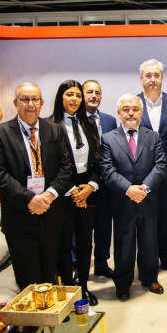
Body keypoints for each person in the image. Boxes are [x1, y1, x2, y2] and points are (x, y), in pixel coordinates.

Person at [0, 83, 72, 291]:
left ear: (41, 103)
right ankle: (31, 312)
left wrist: (49, 196)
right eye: (25, 99)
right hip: (19, 217)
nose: (30, 104)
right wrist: (30, 200)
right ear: (15, 103)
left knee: (51, 273)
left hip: (51, 214)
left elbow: (66, 167)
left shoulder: (55, 130)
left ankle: (51, 310)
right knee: (28, 279)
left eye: (35, 99)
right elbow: (1, 176)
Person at [99, 94, 167, 301]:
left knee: (149, 242)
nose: (131, 113)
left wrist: (144, 189)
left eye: (135, 109)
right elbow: (107, 170)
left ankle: (150, 278)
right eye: (126, 109)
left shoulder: (153, 136)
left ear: (141, 112)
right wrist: (129, 189)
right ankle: (123, 283)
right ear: (119, 113)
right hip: (122, 201)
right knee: (124, 244)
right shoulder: (108, 138)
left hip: (148, 200)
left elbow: (161, 165)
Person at [50, 80, 100, 306]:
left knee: (84, 242)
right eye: (69, 95)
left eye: (78, 95)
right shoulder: (50, 125)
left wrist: (91, 186)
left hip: (86, 189)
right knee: (63, 244)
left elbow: (97, 159)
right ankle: (67, 291)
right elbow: (50, 164)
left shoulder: (88, 123)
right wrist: (71, 190)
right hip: (63, 190)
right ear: (61, 97)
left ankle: (83, 287)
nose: (75, 99)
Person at [137, 60, 167, 277]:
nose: (152, 79)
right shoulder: (133, 103)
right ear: (141, 78)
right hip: (140, 175)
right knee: (144, 221)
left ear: (162, 77)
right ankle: (148, 262)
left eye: (156, 75)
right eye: (148, 75)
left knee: (165, 218)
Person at [82, 80, 118, 279]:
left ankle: (102, 263)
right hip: (84, 182)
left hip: (106, 182)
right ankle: (79, 267)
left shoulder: (110, 120)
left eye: (97, 92)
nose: (94, 96)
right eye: (89, 92)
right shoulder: (75, 120)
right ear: (82, 95)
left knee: (104, 226)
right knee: (83, 228)